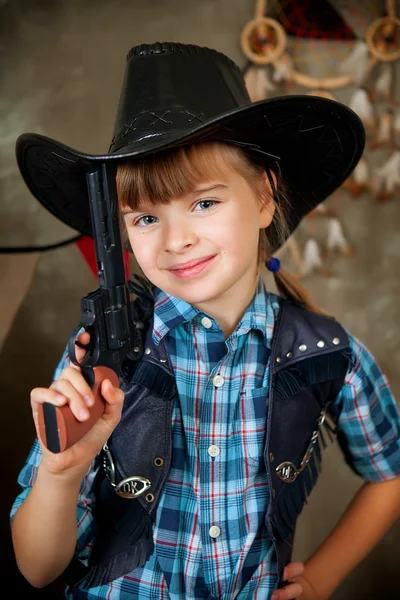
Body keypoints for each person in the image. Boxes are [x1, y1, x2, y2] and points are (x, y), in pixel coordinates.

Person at [10, 42, 400, 600]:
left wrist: (322, 578)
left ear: (264, 198)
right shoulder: (103, 354)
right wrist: (61, 471)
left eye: (203, 203)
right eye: (146, 217)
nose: (176, 240)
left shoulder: (325, 352)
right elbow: (37, 567)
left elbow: (391, 470)